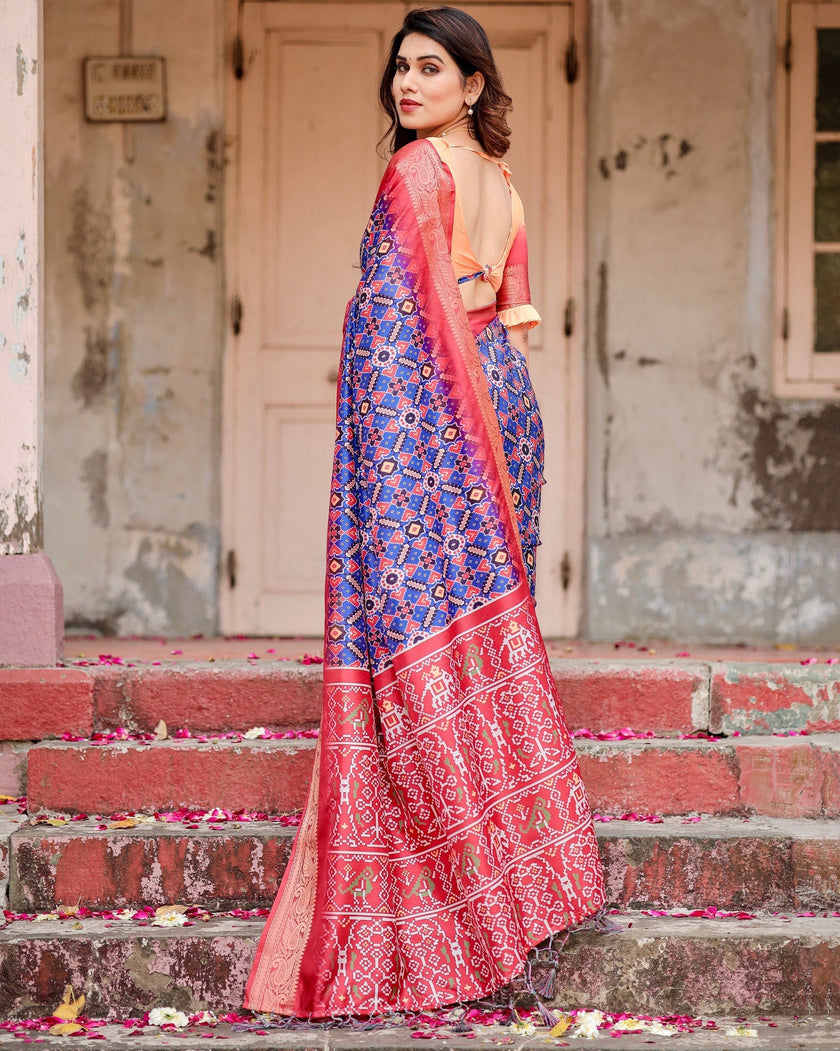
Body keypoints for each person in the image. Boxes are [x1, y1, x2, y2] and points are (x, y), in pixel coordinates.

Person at [244, 6, 605, 1020]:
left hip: (432, 418)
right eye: (401, 67)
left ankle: (464, 894)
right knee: (473, 642)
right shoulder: (502, 181)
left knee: (413, 642)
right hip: (499, 406)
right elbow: (494, 318)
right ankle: (520, 868)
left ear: (473, 83)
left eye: (431, 68)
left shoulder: (415, 172)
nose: (408, 83)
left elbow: (389, 320)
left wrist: (385, 459)